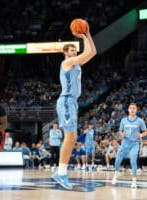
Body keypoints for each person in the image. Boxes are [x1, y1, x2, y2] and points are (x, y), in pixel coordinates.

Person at [52, 21, 97, 189]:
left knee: (71, 138)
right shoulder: (66, 63)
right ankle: (61, 173)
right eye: (71, 50)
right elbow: (86, 53)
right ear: (65, 53)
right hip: (66, 100)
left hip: (72, 102)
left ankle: (61, 172)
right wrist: (83, 36)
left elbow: (92, 52)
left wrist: (87, 34)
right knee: (70, 137)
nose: (74, 52)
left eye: (75, 50)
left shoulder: (76, 64)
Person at [111, 103, 147, 188]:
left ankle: (134, 180)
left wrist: (141, 135)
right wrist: (122, 134)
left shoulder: (140, 121)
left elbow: (146, 131)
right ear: (128, 109)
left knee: (133, 160)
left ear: (136, 110)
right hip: (124, 143)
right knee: (117, 160)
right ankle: (116, 174)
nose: (132, 110)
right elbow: (120, 131)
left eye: (134, 108)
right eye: (130, 108)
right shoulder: (123, 120)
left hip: (134, 144)